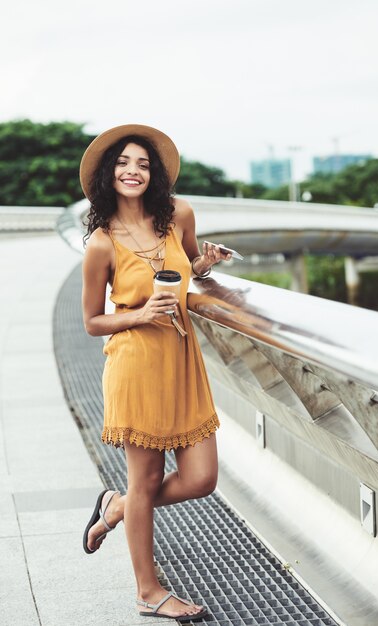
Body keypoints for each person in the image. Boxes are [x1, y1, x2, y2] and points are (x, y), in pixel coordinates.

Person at [80, 124, 230, 621]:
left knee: (202, 478)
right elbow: (92, 322)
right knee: (144, 479)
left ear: (156, 174)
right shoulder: (102, 244)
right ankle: (148, 590)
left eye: (143, 164)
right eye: (123, 163)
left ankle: (117, 509)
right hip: (135, 363)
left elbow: (189, 269)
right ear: (108, 174)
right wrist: (140, 314)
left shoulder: (178, 216)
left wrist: (203, 267)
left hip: (182, 362)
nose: (133, 171)